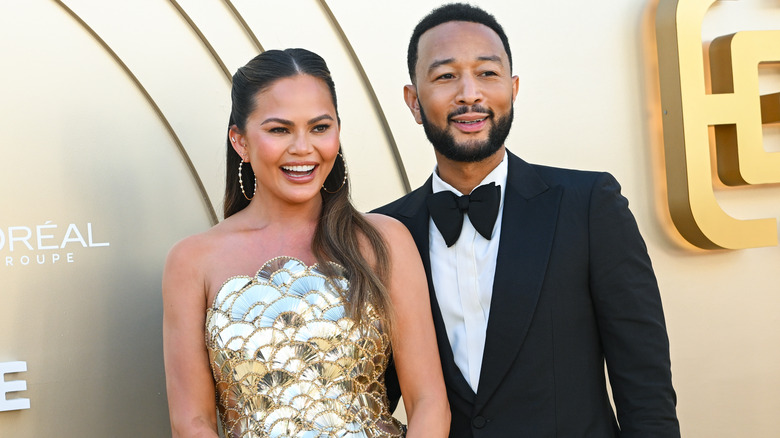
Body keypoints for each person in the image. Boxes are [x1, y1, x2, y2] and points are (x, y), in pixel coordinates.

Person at [374, 3, 680, 437]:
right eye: (445, 76)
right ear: (413, 101)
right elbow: (369, 399)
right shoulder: (382, 234)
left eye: (487, 73)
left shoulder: (588, 205)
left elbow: (645, 384)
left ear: (513, 88)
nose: (469, 94)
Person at [162, 48, 449, 438]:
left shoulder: (385, 240)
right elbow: (191, 422)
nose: (302, 148)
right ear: (240, 141)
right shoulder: (192, 260)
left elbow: (428, 402)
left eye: (319, 127)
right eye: (279, 130)